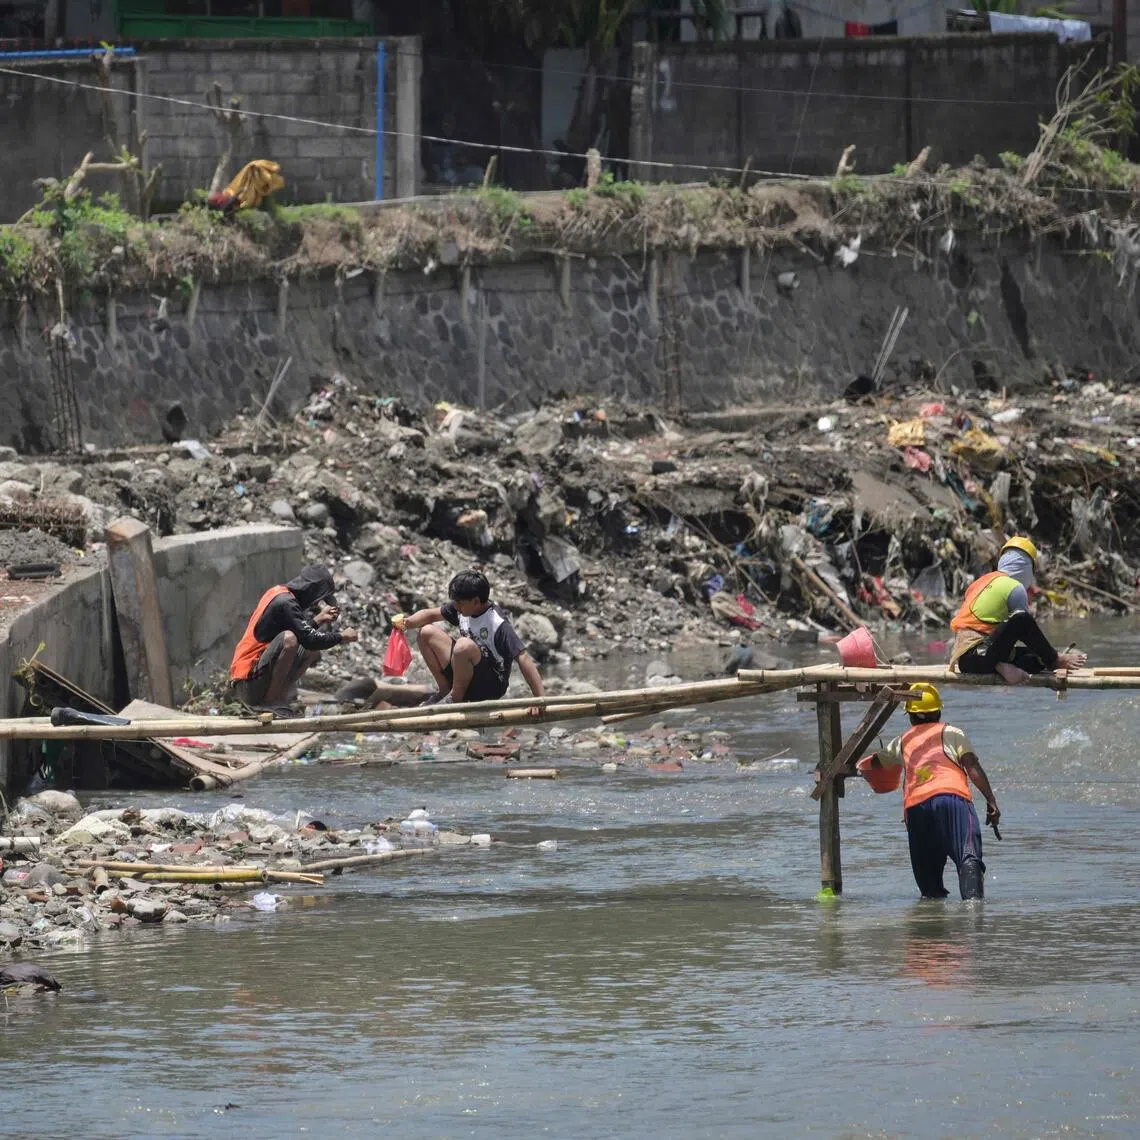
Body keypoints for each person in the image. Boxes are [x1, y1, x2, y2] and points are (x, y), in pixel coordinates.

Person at [859, 683, 999, 901]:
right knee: (968, 859)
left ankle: (930, 924)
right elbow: (971, 766)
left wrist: (852, 764)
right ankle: (974, 918)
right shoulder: (952, 732)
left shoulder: (903, 740)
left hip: (917, 808)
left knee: (929, 881)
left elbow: (875, 763)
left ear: (911, 717)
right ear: (939, 711)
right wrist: (991, 801)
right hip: (952, 800)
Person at [392, 570, 544, 706]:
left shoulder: (497, 623)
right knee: (426, 632)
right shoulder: (462, 609)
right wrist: (408, 623)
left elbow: (523, 658)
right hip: (466, 674)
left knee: (463, 645)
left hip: (489, 686)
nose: (456, 606)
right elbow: (431, 614)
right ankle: (445, 690)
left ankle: (455, 698)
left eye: (459, 602)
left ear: (476, 601)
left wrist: (539, 700)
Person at [949, 535, 1087, 684]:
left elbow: (1002, 636)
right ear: (1027, 568)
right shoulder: (1014, 587)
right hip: (979, 655)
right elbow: (1024, 630)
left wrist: (1047, 653)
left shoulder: (980, 582)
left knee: (1034, 661)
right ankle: (1055, 660)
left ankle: (1004, 666)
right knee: (1021, 618)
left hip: (966, 659)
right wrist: (1053, 656)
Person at [229, 565, 358, 716]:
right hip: (247, 682)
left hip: (252, 681)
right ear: (311, 591)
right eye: (318, 598)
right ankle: (271, 701)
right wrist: (341, 636)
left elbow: (305, 636)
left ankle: (281, 698)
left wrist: (318, 619)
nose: (315, 603)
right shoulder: (285, 602)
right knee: (289, 640)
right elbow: (309, 639)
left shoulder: (279, 593)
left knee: (308, 648)